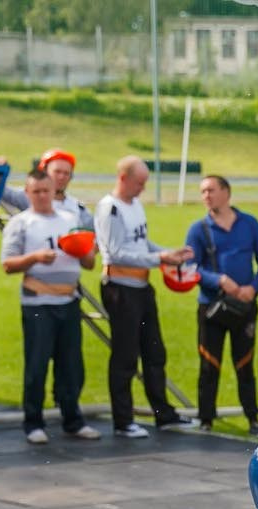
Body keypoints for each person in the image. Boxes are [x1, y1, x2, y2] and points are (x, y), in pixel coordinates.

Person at [95, 156, 193, 439]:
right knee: (126, 356)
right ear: (123, 178)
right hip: (121, 287)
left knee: (155, 351)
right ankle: (123, 420)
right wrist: (158, 258)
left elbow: (140, 242)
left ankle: (163, 414)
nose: (142, 188)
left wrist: (168, 253)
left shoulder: (135, 205)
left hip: (141, 285)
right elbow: (114, 253)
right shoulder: (110, 208)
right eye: (139, 183)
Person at [1, 170, 101, 446]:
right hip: (38, 301)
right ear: (28, 193)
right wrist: (35, 257)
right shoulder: (21, 223)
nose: (43, 197)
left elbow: (89, 263)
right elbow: (8, 264)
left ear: (54, 191)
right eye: (37, 192)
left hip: (68, 300)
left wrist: (86, 252)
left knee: (71, 366)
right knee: (37, 364)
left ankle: (73, 419)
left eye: (47, 191)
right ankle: (33, 422)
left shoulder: (70, 220)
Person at [185, 175, 258, 439]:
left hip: (244, 307)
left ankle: (252, 418)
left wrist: (252, 288)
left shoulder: (250, 223)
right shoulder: (199, 228)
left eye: (211, 190)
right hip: (211, 307)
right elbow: (191, 267)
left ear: (226, 192)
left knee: (245, 364)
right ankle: (206, 418)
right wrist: (219, 280)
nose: (206, 196)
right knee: (209, 364)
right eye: (202, 191)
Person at [0, 148, 92, 229]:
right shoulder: (30, 197)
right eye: (57, 172)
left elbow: (97, 237)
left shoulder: (78, 209)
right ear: (44, 172)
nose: (61, 177)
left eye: (66, 173)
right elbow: (1, 191)